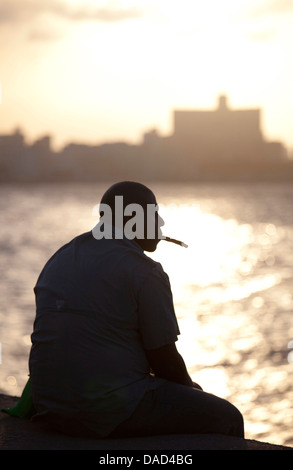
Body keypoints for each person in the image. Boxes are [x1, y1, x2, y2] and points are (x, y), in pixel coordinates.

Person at [29, 181, 244, 439]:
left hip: (49, 406)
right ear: (133, 219)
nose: (160, 222)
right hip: (101, 411)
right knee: (229, 418)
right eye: (153, 214)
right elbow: (164, 359)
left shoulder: (60, 257)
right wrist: (193, 392)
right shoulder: (144, 271)